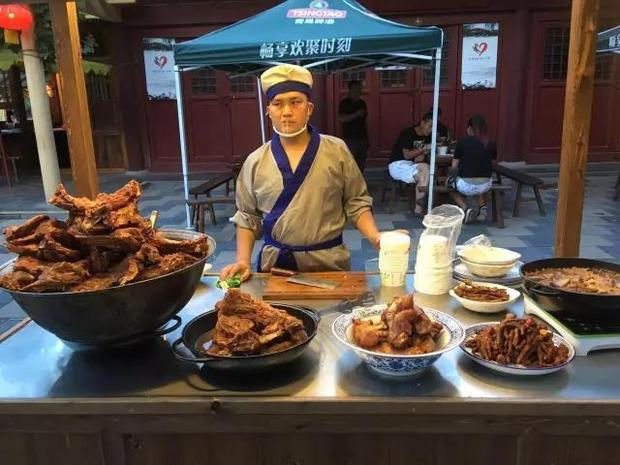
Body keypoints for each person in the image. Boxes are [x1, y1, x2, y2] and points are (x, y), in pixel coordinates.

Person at [219, 64, 381, 282]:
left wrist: (375, 236)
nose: (287, 111)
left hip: (330, 263)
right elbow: (248, 216)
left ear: (309, 108)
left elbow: (356, 201)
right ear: (268, 111)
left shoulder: (337, 151)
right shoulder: (255, 161)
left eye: (296, 102)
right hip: (276, 267)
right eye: (278, 103)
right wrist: (243, 260)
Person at [447, 114, 498, 224]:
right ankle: (482, 206)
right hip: (486, 184)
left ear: (469, 128)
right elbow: (493, 161)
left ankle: (465, 208)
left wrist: (451, 173)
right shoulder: (491, 142)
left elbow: (454, 164)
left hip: (466, 185)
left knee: (448, 184)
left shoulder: (462, 142)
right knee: (476, 178)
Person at [388, 113, 433, 216]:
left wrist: (423, 153)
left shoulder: (428, 137)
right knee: (422, 174)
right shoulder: (408, 133)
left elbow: (419, 158)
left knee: (427, 168)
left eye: (433, 128)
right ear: (422, 123)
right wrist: (423, 150)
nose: (431, 130)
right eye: (429, 126)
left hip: (411, 164)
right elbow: (407, 155)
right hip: (397, 164)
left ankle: (419, 205)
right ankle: (419, 207)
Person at [338, 80, 368, 171]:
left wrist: (367, 139)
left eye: (360, 89)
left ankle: (359, 180)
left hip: (362, 138)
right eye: (356, 89)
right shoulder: (344, 103)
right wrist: (356, 114)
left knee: (360, 165)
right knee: (349, 164)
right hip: (350, 139)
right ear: (350, 90)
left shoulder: (362, 103)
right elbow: (341, 118)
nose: (359, 91)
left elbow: (364, 121)